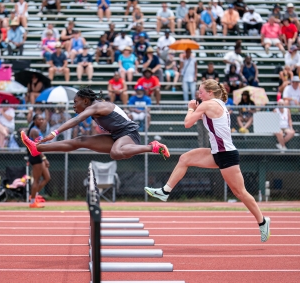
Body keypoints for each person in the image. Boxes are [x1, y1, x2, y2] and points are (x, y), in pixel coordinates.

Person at [144, 79, 271, 243]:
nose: (198, 94)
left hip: (226, 154)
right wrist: (197, 110)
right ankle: (165, 191)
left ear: (210, 93)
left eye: (201, 91)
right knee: (185, 159)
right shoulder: (216, 104)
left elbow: (187, 123)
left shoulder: (208, 104)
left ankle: (262, 221)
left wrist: (191, 108)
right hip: (216, 152)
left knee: (240, 192)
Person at [21, 87, 170, 161]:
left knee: (115, 153)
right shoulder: (93, 108)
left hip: (129, 135)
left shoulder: (98, 106)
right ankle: (37, 148)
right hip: (116, 136)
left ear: (85, 101)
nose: (73, 106)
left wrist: (54, 133)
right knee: (80, 141)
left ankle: (153, 147)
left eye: (75, 102)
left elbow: (76, 120)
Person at [26, 115, 51, 208]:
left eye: (42, 119)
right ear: (34, 120)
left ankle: (34, 195)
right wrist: (44, 159)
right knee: (36, 179)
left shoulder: (37, 130)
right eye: (39, 119)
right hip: (36, 156)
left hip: (38, 156)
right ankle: (33, 202)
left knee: (47, 177)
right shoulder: (34, 131)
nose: (41, 121)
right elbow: (37, 147)